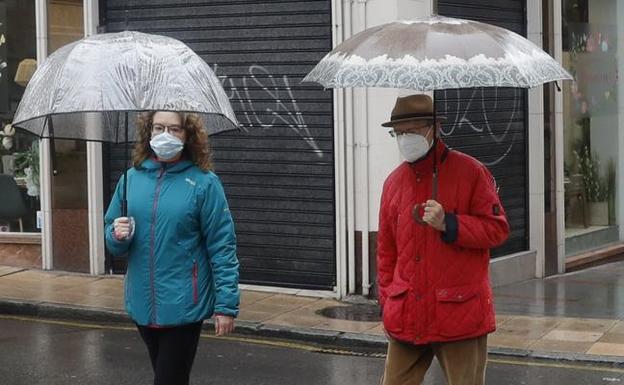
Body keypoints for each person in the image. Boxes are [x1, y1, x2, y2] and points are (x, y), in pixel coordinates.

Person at [376, 94, 510, 385]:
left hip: (458, 312)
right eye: (398, 133)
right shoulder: (393, 183)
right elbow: (386, 251)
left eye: (411, 131)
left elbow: (497, 229)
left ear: (434, 128)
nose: (404, 138)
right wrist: (388, 302)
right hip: (407, 312)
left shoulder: (471, 172)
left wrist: (449, 223)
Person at [104, 111, 239, 385]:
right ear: (149, 132)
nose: (166, 135)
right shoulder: (130, 179)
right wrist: (117, 235)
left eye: (175, 129)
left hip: (184, 306)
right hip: (142, 304)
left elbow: (222, 245)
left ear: (188, 135)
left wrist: (226, 304)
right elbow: (113, 241)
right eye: (159, 127)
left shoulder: (204, 183)